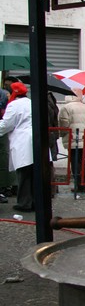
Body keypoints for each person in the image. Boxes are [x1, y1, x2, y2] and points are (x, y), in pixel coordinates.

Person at [0, 82, 34, 211]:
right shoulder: (32, 102)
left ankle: (24, 203)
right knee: (35, 173)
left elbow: (7, 124)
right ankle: (35, 201)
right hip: (35, 139)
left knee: (24, 174)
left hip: (22, 141)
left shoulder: (14, 105)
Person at [58, 90, 85, 192]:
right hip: (83, 137)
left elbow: (64, 123)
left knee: (74, 162)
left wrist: (61, 133)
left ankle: (81, 185)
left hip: (72, 137)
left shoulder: (66, 107)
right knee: (81, 161)